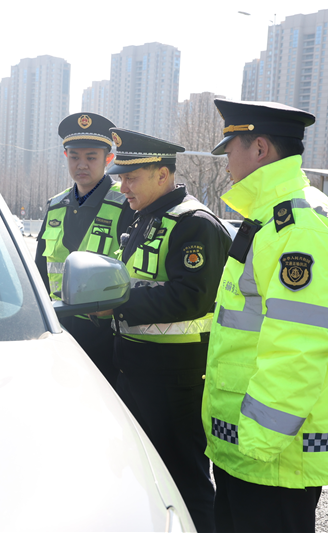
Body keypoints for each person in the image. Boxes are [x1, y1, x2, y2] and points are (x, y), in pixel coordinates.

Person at [202, 99, 328, 532]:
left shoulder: (298, 226)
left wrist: (258, 442)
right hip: (250, 450)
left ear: (259, 148)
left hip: (270, 456)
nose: (226, 163)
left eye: (230, 150)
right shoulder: (273, 215)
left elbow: (299, 346)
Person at [92, 128, 231, 533]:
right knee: (143, 477)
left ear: (163, 175)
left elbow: (191, 297)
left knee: (185, 481)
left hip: (175, 379)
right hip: (135, 370)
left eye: (131, 178)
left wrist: (118, 303)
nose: (122, 187)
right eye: (121, 178)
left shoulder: (194, 224)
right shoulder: (145, 218)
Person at [35, 112, 133, 384]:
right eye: (74, 156)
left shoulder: (125, 203)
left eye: (91, 157)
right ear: (65, 156)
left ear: (108, 159)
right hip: (56, 327)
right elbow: (39, 269)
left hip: (104, 333)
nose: (82, 164)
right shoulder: (55, 205)